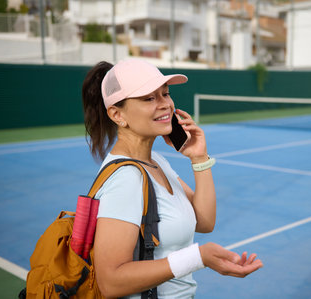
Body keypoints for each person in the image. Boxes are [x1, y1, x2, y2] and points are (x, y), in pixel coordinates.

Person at [82, 58, 263, 299]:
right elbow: (111, 282)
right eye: (149, 98)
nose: (165, 104)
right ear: (117, 114)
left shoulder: (156, 162)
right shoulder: (125, 179)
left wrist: (199, 158)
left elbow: (204, 221)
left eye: (165, 94)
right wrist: (197, 258)